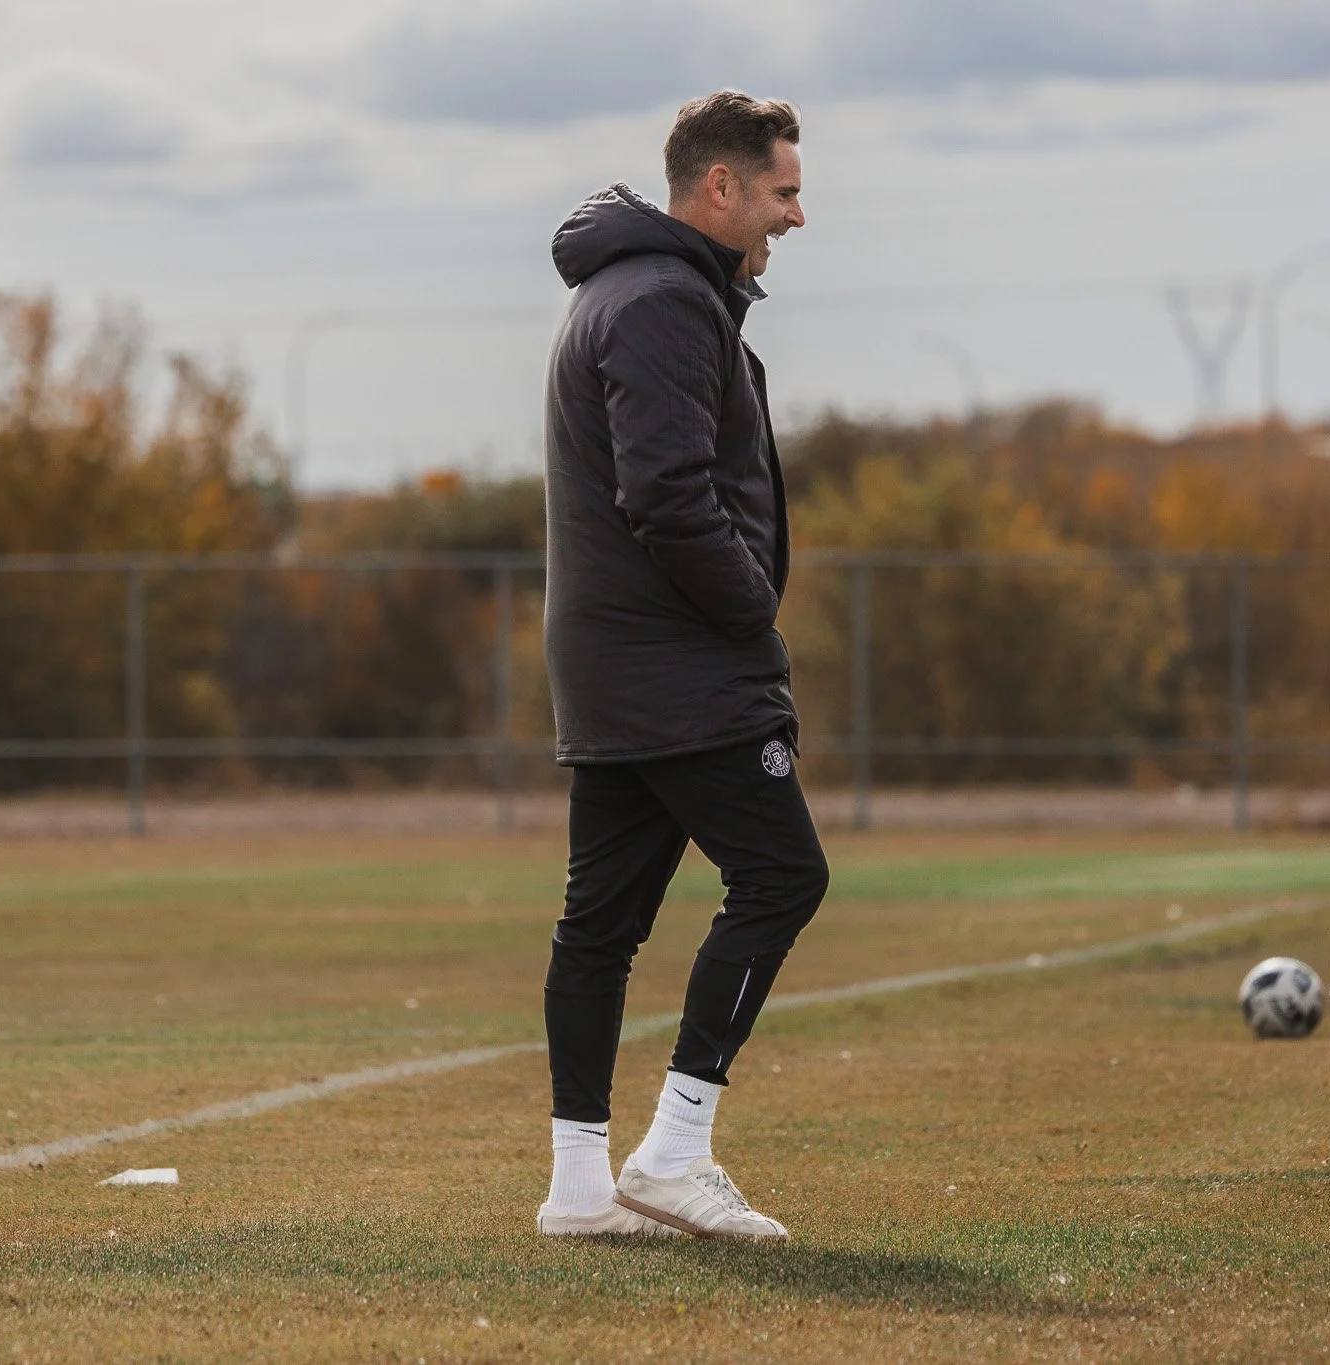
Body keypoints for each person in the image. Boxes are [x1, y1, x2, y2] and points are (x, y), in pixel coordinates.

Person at [534, 90, 826, 1239]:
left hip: (619, 667)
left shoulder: (635, 289)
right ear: (720, 188)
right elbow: (664, 493)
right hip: (679, 669)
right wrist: (751, 609)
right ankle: (671, 1152)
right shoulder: (661, 300)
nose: (796, 217)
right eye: (783, 191)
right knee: (781, 877)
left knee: (598, 925)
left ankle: (575, 1191)